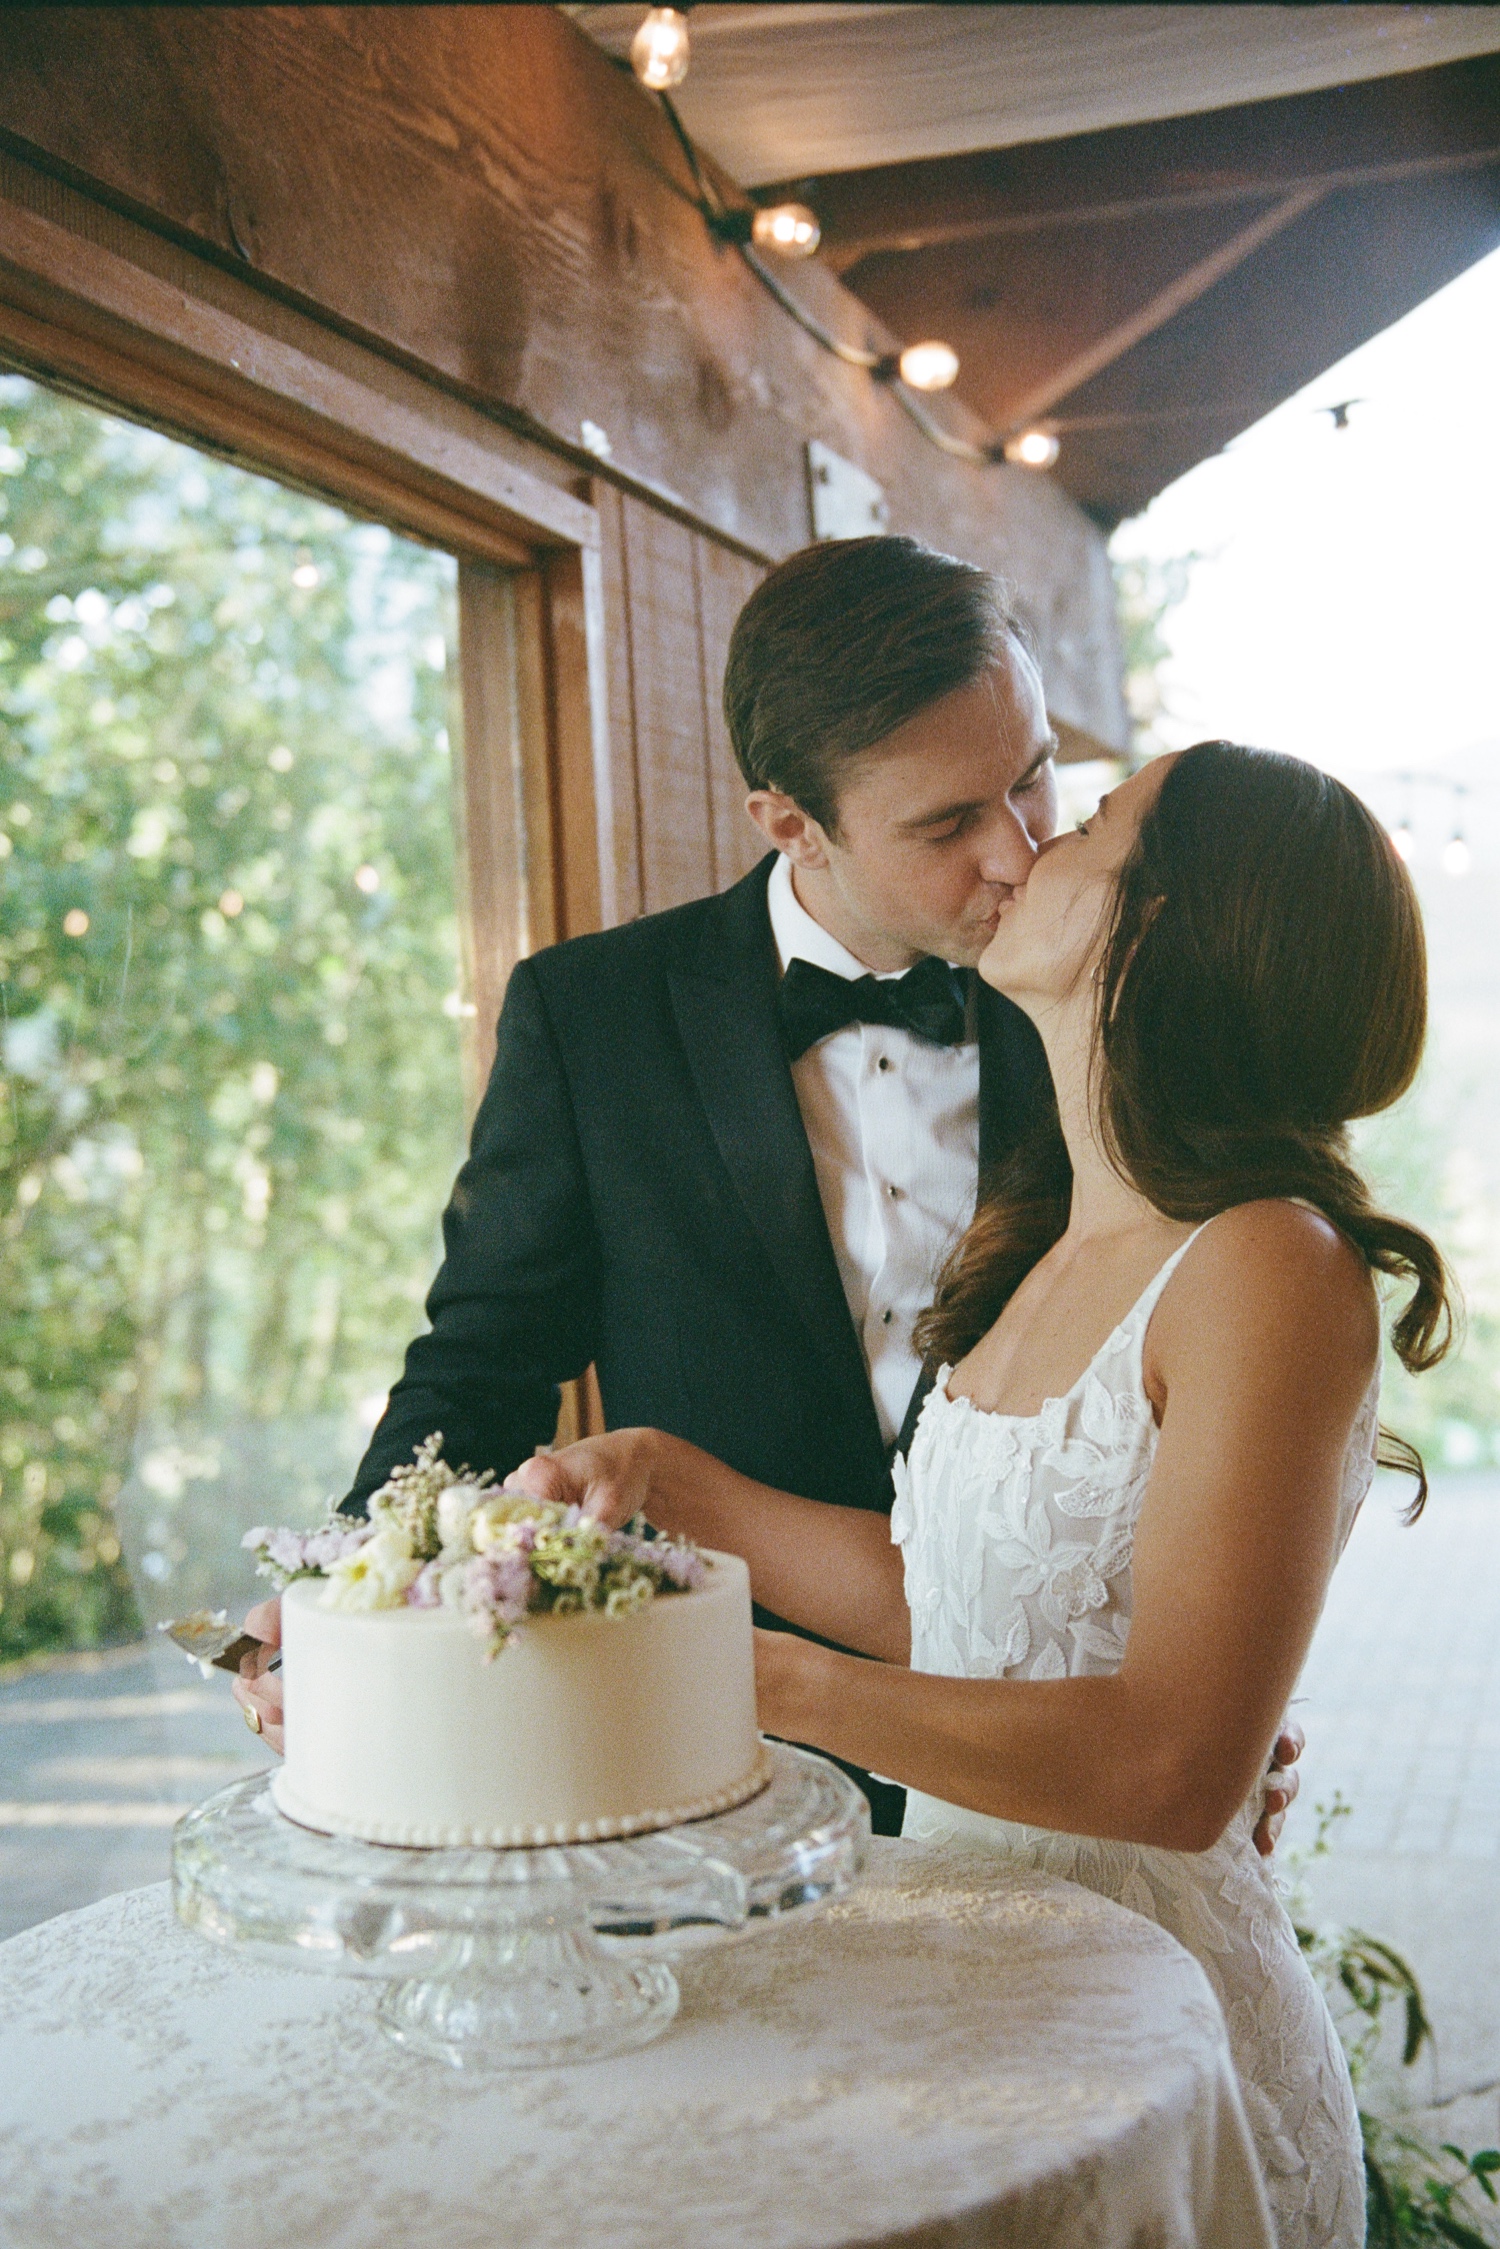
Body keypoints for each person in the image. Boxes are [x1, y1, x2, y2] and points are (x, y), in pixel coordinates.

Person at [505, 739, 1453, 2247]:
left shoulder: (1272, 1264)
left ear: (1162, 927)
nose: (1024, 848)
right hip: (962, 1988)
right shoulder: (1043, 1245)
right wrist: (673, 1479)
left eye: (1082, 825)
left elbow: (1174, 1765)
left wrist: (752, 1681)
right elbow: (953, 1601)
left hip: (1154, 2025)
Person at [232, 537, 1301, 1851]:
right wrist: (349, 1597)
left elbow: (1216, 1376)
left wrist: (1195, 1707)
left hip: (1048, 1766)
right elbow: (480, 1362)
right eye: (945, 823)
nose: (1019, 853)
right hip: (707, 1762)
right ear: (791, 822)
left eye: (1031, 778)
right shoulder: (595, 1019)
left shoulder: (1094, 998)